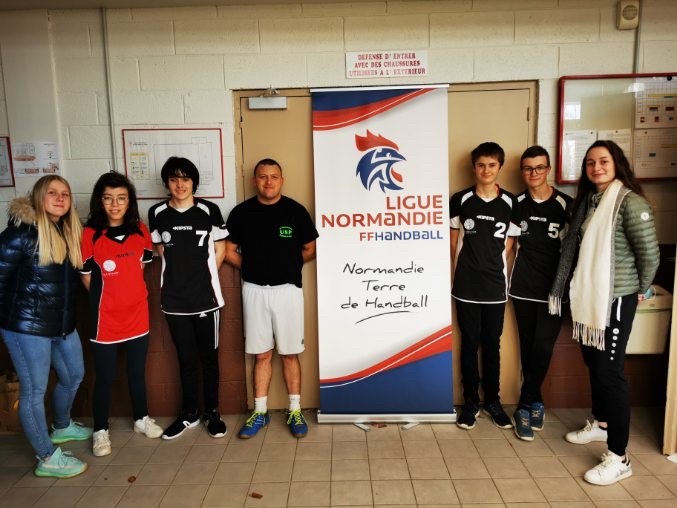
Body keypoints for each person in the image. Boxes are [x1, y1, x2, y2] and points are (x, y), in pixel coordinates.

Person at [549, 140, 659, 485]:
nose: (596, 167)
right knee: (594, 365)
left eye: (603, 161)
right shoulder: (589, 202)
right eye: (590, 162)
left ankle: (619, 457)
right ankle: (602, 423)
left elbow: (649, 254)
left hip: (615, 299)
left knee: (610, 374)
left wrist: (640, 288)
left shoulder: (630, 202)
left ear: (617, 164)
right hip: (589, 298)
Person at [0, 175, 92, 478]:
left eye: (65, 193)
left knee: (74, 375)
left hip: (61, 324)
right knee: (34, 391)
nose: (60, 198)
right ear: (39, 197)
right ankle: (47, 457)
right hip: (26, 327)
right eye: (52, 192)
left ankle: (61, 426)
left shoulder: (67, 231)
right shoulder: (19, 235)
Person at [224, 158, 318, 439]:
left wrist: (286, 266)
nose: (268, 182)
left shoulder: (295, 211)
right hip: (254, 290)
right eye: (263, 176)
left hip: (288, 290)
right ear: (255, 180)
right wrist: (253, 269)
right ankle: (260, 412)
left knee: (289, 353)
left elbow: (309, 248)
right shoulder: (241, 213)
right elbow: (229, 251)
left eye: (274, 176)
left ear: (281, 180)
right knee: (262, 354)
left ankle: (295, 410)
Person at [81, 172, 163, 456]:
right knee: (105, 377)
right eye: (108, 198)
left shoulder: (140, 230)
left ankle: (141, 418)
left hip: (137, 315)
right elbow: (87, 278)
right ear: (99, 201)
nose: (115, 204)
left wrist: (127, 295)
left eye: (121, 198)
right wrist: (110, 300)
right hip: (105, 319)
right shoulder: (89, 234)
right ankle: (100, 430)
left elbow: (139, 268)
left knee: (136, 372)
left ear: (129, 202)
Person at [148, 157, 228, 440]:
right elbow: (160, 251)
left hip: (206, 299)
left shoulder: (209, 210)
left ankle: (212, 413)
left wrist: (203, 278)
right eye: (173, 179)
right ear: (167, 183)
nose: (180, 184)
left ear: (194, 182)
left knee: (209, 359)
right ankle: (190, 413)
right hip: (174, 301)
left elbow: (220, 250)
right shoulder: (157, 212)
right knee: (185, 360)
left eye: (185, 179)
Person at [449, 142, 520, 430]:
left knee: (492, 345)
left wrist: (492, 264)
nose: (486, 170)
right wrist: (463, 270)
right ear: (474, 167)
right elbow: (453, 241)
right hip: (465, 285)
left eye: (492, 165)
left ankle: (493, 400)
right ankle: (470, 402)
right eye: (481, 165)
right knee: (469, 343)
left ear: (499, 167)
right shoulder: (460, 199)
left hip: (495, 287)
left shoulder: (511, 202)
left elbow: (510, 243)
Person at [508, 146, 572, 441]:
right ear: (522, 171)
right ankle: (536, 400)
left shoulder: (566, 205)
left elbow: (573, 250)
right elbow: (508, 247)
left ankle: (523, 406)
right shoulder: (516, 204)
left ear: (548, 169)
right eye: (527, 168)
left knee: (543, 348)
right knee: (528, 347)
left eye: (539, 167)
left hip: (554, 292)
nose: (533, 173)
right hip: (522, 288)